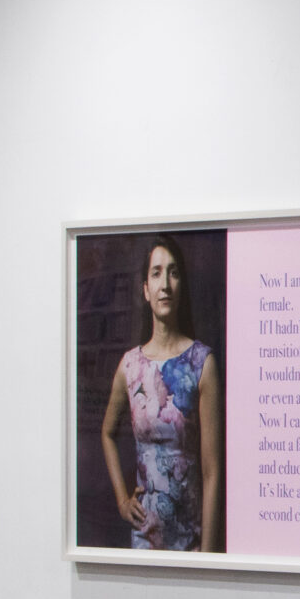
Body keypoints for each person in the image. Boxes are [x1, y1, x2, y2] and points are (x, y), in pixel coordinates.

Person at [99, 234, 222, 552]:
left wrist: (208, 560)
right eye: (156, 273)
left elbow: (212, 472)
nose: (165, 284)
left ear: (181, 285)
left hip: (192, 541)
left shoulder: (201, 363)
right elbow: (107, 433)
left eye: (173, 272)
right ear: (145, 290)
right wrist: (122, 500)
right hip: (144, 540)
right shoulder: (130, 366)